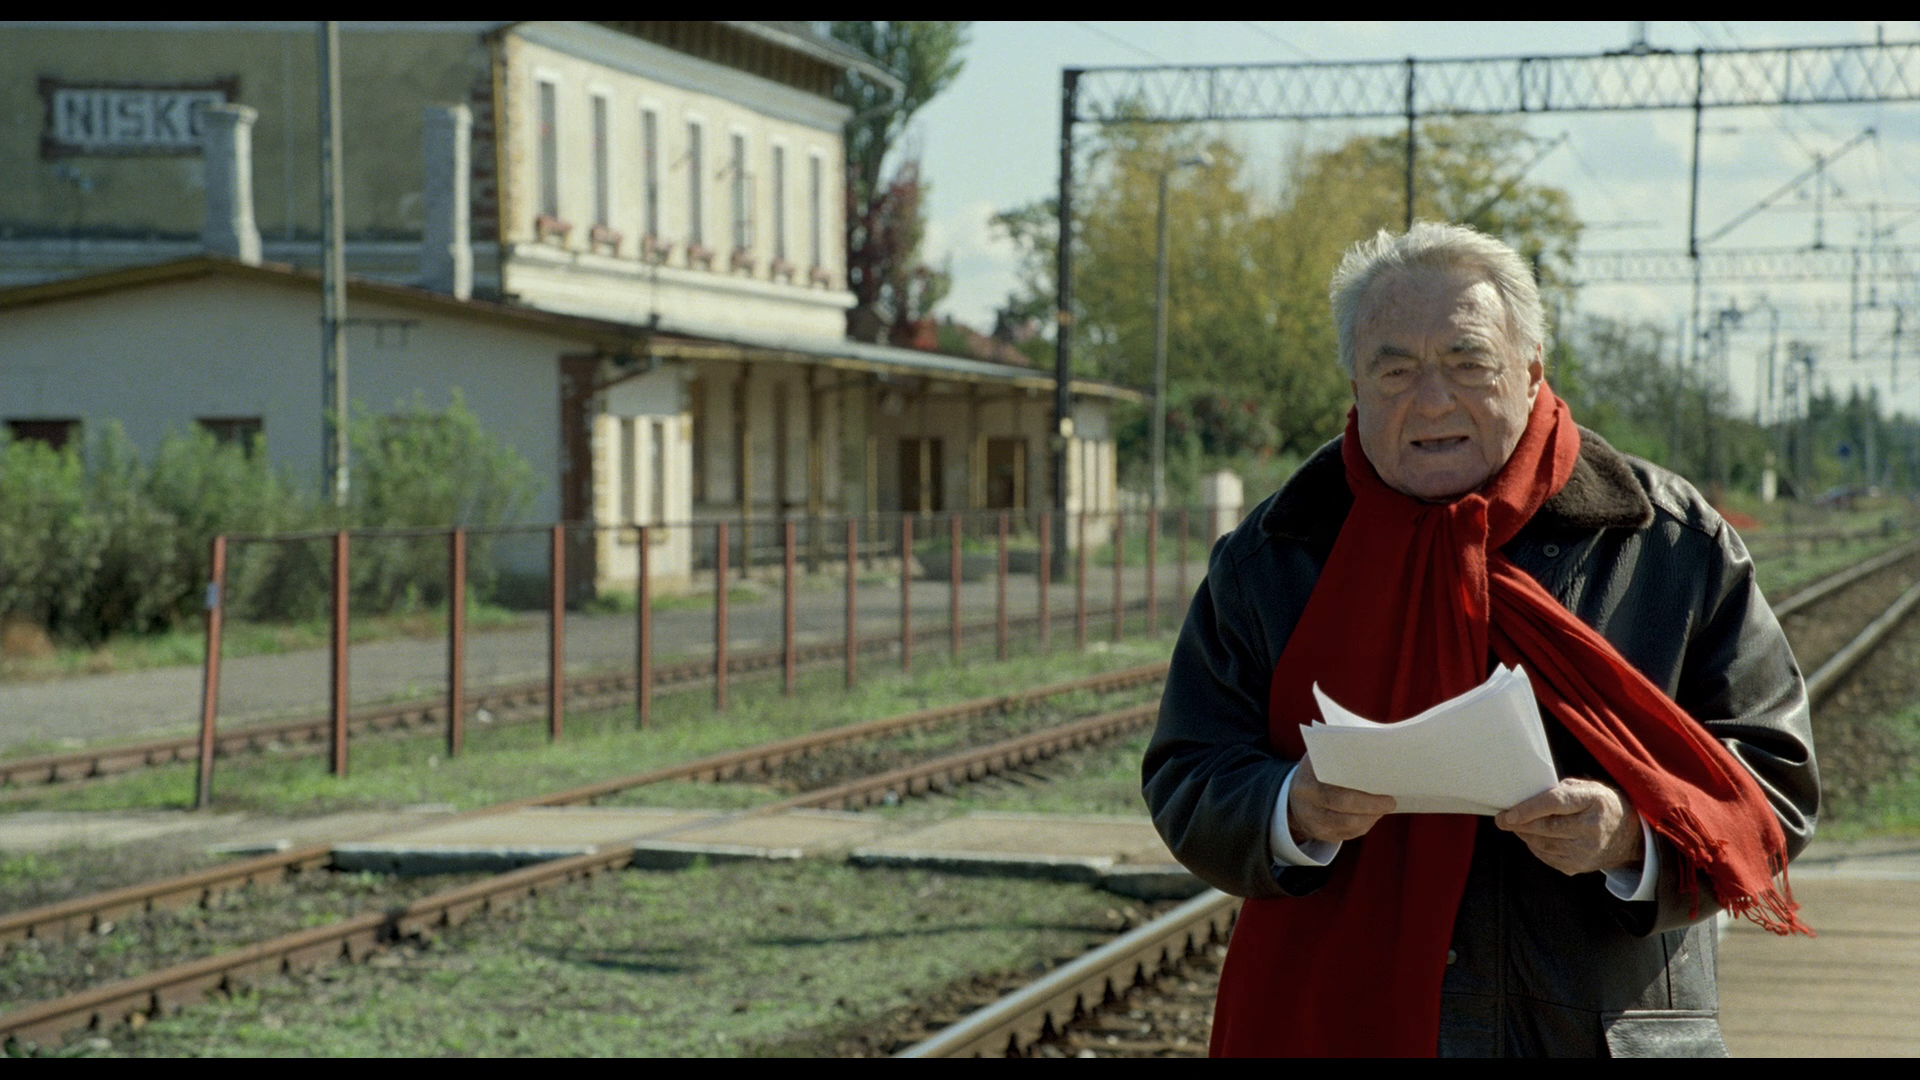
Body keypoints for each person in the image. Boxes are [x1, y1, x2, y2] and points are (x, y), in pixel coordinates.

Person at [1142, 221, 1818, 1058]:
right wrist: (1290, 808)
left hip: (1598, 1032)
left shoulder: (1668, 542)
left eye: (1469, 363)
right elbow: (1188, 771)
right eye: (1396, 370)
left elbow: (1776, 779)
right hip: (1331, 1025)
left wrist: (1631, 835)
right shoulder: (1275, 554)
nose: (1432, 401)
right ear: (1355, 386)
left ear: (1531, 372)